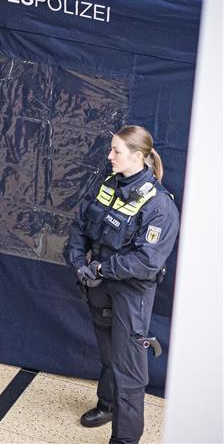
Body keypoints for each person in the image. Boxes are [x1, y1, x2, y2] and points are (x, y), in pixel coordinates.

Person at [64, 125, 180, 443]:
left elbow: (147, 261)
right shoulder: (107, 184)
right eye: (111, 149)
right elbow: (79, 225)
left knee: (128, 368)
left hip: (131, 292)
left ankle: (125, 438)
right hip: (98, 284)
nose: (109, 156)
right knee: (108, 353)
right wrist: (78, 263)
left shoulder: (159, 205)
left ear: (138, 156)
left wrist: (102, 269)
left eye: (116, 151)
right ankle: (107, 405)